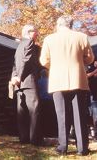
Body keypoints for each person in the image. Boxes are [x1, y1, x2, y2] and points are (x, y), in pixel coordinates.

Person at [40, 15, 94, 156]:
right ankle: (82, 148)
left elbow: (43, 60)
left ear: (59, 24)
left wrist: (55, 66)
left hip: (58, 80)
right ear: (71, 24)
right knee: (80, 114)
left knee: (61, 115)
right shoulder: (81, 37)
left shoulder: (49, 39)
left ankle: (62, 147)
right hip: (78, 79)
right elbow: (90, 58)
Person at [11, 25, 42, 146]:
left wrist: (14, 77)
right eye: (35, 31)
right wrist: (19, 76)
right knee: (35, 109)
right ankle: (35, 140)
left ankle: (23, 138)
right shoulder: (29, 42)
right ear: (28, 33)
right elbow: (26, 60)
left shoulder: (19, 46)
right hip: (28, 81)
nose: (37, 33)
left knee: (22, 111)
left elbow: (14, 63)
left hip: (19, 83)